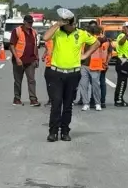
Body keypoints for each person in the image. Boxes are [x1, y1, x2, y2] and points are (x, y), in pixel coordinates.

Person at [42, 8, 100, 142]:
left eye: (71, 23)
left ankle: (65, 131)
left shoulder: (81, 34)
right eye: (67, 24)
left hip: (73, 74)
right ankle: (53, 132)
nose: (71, 26)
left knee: (68, 104)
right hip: (56, 73)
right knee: (56, 104)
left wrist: (85, 55)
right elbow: (45, 37)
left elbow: (96, 43)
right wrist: (57, 24)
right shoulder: (57, 32)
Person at [10, 14, 41, 107]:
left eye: (31, 23)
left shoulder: (34, 32)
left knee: (32, 80)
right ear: (24, 22)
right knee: (18, 81)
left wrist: (37, 59)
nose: (30, 24)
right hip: (19, 60)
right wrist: (17, 58)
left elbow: (35, 46)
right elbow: (11, 46)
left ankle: (33, 99)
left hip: (31, 60)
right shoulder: (17, 31)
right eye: (28, 23)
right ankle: (17, 99)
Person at [79, 24, 108, 111]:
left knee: (96, 86)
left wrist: (104, 63)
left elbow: (104, 40)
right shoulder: (83, 40)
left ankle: (97, 103)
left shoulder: (97, 39)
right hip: (84, 65)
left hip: (95, 66)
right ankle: (85, 103)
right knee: (84, 85)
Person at [114, 21, 128, 107]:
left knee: (123, 82)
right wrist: (127, 35)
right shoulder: (121, 36)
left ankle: (119, 99)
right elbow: (120, 42)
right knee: (122, 82)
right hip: (122, 61)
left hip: (127, 62)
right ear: (123, 28)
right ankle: (119, 100)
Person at [42, 35, 54, 106]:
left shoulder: (58, 40)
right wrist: (44, 56)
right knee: (48, 84)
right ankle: (50, 99)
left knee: (55, 84)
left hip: (56, 66)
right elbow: (47, 50)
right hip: (48, 65)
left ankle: (55, 100)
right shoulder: (47, 41)